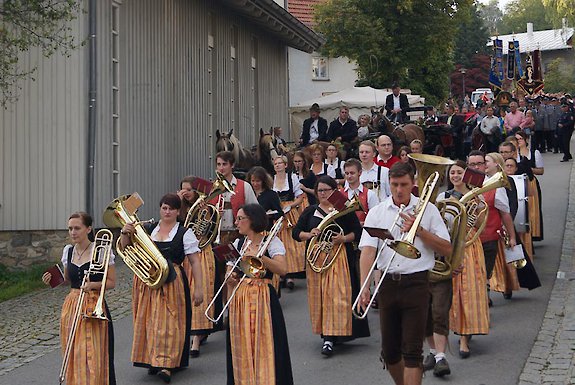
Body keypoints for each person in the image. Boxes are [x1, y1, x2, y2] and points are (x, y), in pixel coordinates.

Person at [358, 162, 452, 385]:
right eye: (394, 184)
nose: (399, 190)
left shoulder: (427, 210)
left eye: (404, 184)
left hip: (417, 283)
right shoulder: (377, 212)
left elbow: (447, 248)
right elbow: (368, 252)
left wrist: (418, 231)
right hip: (387, 284)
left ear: (413, 184)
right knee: (390, 353)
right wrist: (364, 287)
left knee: (412, 351)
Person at [120, 193, 203, 383]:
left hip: (172, 281)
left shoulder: (184, 233)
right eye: (164, 208)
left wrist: (199, 288)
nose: (167, 212)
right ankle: (152, 359)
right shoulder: (148, 229)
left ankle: (167, 363)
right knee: (148, 320)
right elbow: (125, 249)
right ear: (160, 209)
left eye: (171, 208)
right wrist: (125, 232)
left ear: (178, 211)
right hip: (147, 280)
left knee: (169, 323)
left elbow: (195, 262)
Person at [292, 176, 370, 356]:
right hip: (317, 259)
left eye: (327, 190)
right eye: (320, 191)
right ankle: (327, 335)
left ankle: (335, 334)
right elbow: (296, 232)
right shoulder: (310, 211)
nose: (323, 194)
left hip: (339, 259)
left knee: (338, 296)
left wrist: (343, 239)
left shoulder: (343, 209)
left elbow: (357, 232)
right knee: (321, 298)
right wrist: (309, 234)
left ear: (334, 191)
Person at [42, 212, 116, 385]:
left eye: (77, 228)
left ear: (88, 229)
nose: (73, 232)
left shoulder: (101, 251)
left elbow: (111, 283)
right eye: (70, 229)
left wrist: (93, 285)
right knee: (75, 351)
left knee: (93, 352)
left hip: (93, 304)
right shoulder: (68, 251)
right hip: (73, 305)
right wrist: (52, 280)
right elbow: (68, 279)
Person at [226, 204, 293, 384]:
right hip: (241, 298)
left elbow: (283, 269)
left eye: (240, 219)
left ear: (253, 221)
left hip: (264, 297)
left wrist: (261, 257)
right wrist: (230, 278)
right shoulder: (238, 244)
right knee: (242, 343)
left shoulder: (271, 242)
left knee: (266, 342)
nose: (236, 222)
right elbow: (228, 274)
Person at [437, 162, 489, 361]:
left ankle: (465, 337)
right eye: (453, 173)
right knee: (450, 293)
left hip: (469, 246)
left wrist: (469, 208)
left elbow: (479, 225)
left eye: (459, 172)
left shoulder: (477, 196)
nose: (456, 176)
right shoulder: (443, 197)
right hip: (449, 247)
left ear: (465, 174)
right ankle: (451, 329)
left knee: (468, 291)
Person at [177, 177, 221, 358]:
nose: (186, 192)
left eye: (188, 189)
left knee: (200, 291)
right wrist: (178, 202)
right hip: (185, 254)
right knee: (186, 293)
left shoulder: (205, 207)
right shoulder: (178, 207)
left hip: (202, 251)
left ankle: (196, 338)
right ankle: (190, 333)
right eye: (183, 189)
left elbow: (206, 231)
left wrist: (204, 211)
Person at [467, 151, 517, 305]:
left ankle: (482, 301)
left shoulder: (495, 185)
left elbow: (505, 214)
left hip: (488, 237)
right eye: (472, 164)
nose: (476, 167)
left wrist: (512, 237)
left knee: (484, 272)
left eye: (479, 164)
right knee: (470, 274)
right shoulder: (462, 185)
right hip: (467, 240)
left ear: (485, 165)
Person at [272, 156, 306, 289]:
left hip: (289, 213)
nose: (278, 166)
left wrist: (290, 206)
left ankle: (290, 274)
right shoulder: (271, 180)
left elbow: (300, 197)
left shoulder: (292, 178)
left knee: (291, 244)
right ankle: (280, 274)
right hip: (276, 213)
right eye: (275, 164)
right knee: (277, 242)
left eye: (280, 163)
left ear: (285, 165)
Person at [213, 151, 258, 246]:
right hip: (216, 237)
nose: (221, 168)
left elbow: (255, 212)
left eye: (224, 164)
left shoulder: (245, 186)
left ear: (232, 165)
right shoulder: (211, 189)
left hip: (238, 236)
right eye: (218, 164)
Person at [515, 131, 544, 242]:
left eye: (520, 139)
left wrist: (528, 168)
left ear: (526, 140)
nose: (518, 141)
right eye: (516, 139)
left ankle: (534, 233)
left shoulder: (534, 152)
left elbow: (541, 171)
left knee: (532, 208)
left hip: (530, 183)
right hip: (518, 183)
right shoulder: (515, 154)